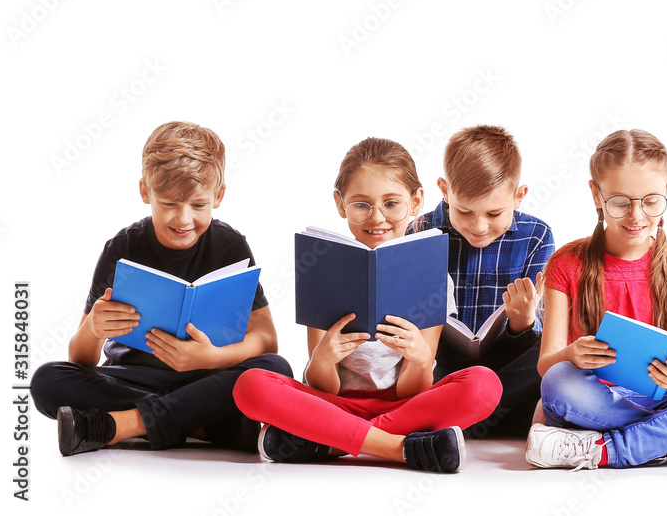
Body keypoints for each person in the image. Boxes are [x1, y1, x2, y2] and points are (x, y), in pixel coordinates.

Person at [233, 137, 501, 473]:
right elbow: (321, 385)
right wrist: (324, 359)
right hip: (334, 404)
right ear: (340, 203)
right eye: (361, 204)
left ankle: (327, 442)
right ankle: (398, 447)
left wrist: (420, 358)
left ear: (416, 201)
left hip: (406, 404)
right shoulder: (323, 266)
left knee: (484, 385)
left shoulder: (431, 274)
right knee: (250, 384)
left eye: (392, 203)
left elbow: (415, 388)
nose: (377, 218)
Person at [31, 121, 291, 456]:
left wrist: (212, 358)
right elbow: (80, 360)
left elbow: (267, 339)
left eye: (198, 205)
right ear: (145, 192)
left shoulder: (230, 246)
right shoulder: (122, 246)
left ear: (219, 196)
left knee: (276, 369)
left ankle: (124, 425)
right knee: (47, 380)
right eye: (169, 203)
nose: (183, 219)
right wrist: (94, 329)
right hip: (131, 379)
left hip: (206, 377)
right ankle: (202, 422)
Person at [526, 129, 667, 470]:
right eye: (620, 202)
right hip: (599, 398)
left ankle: (602, 450)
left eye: (650, 201)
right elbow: (547, 364)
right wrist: (572, 353)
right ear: (596, 194)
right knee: (558, 382)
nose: (636, 217)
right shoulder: (566, 263)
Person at [409, 125, 554, 437]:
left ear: (518, 197)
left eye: (493, 213)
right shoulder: (419, 231)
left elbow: (539, 334)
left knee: (553, 352)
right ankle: (493, 419)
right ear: (444, 190)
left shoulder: (537, 236)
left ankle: (458, 418)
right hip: (443, 365)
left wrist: (523, 321)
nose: (478, 226)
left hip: (507, 368)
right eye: (463, 211)